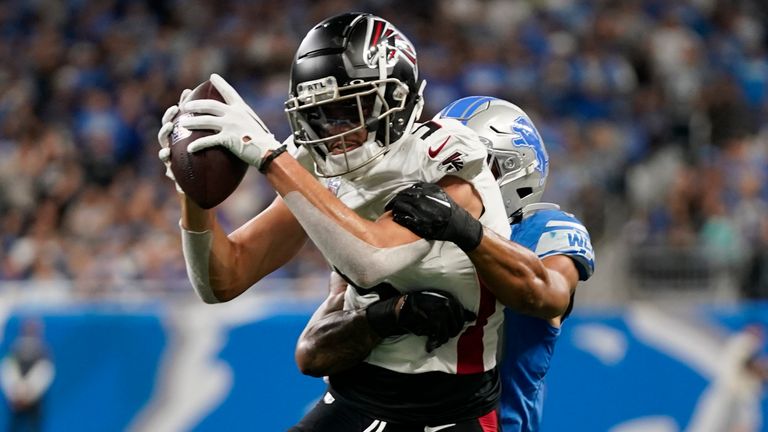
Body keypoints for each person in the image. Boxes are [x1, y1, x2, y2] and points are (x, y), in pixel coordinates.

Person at [158, 13, 509, 432]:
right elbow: (223, 279)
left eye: (347, 110)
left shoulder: (445, 156)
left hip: (449, 411)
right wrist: (193, 193)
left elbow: (372, 258)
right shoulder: (315, 162)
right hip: (353, 395)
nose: (333, 130)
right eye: (319, 114)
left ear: (396, 99)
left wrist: (270, 158)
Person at [386, 97, 595, 432]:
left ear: (515, 170)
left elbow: (548, 295)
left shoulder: (544, 231)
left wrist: (466, 231)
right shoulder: (421, 232)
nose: (447, 178)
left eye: (469, 166)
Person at [0, 319, 55, 432]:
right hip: (16, 399)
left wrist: (29, 391)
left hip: (34, 400)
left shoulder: (42, 350)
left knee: (34, 426)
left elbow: (45, 370)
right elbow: (8, 369)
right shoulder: (15, 349)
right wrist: (16, 391)